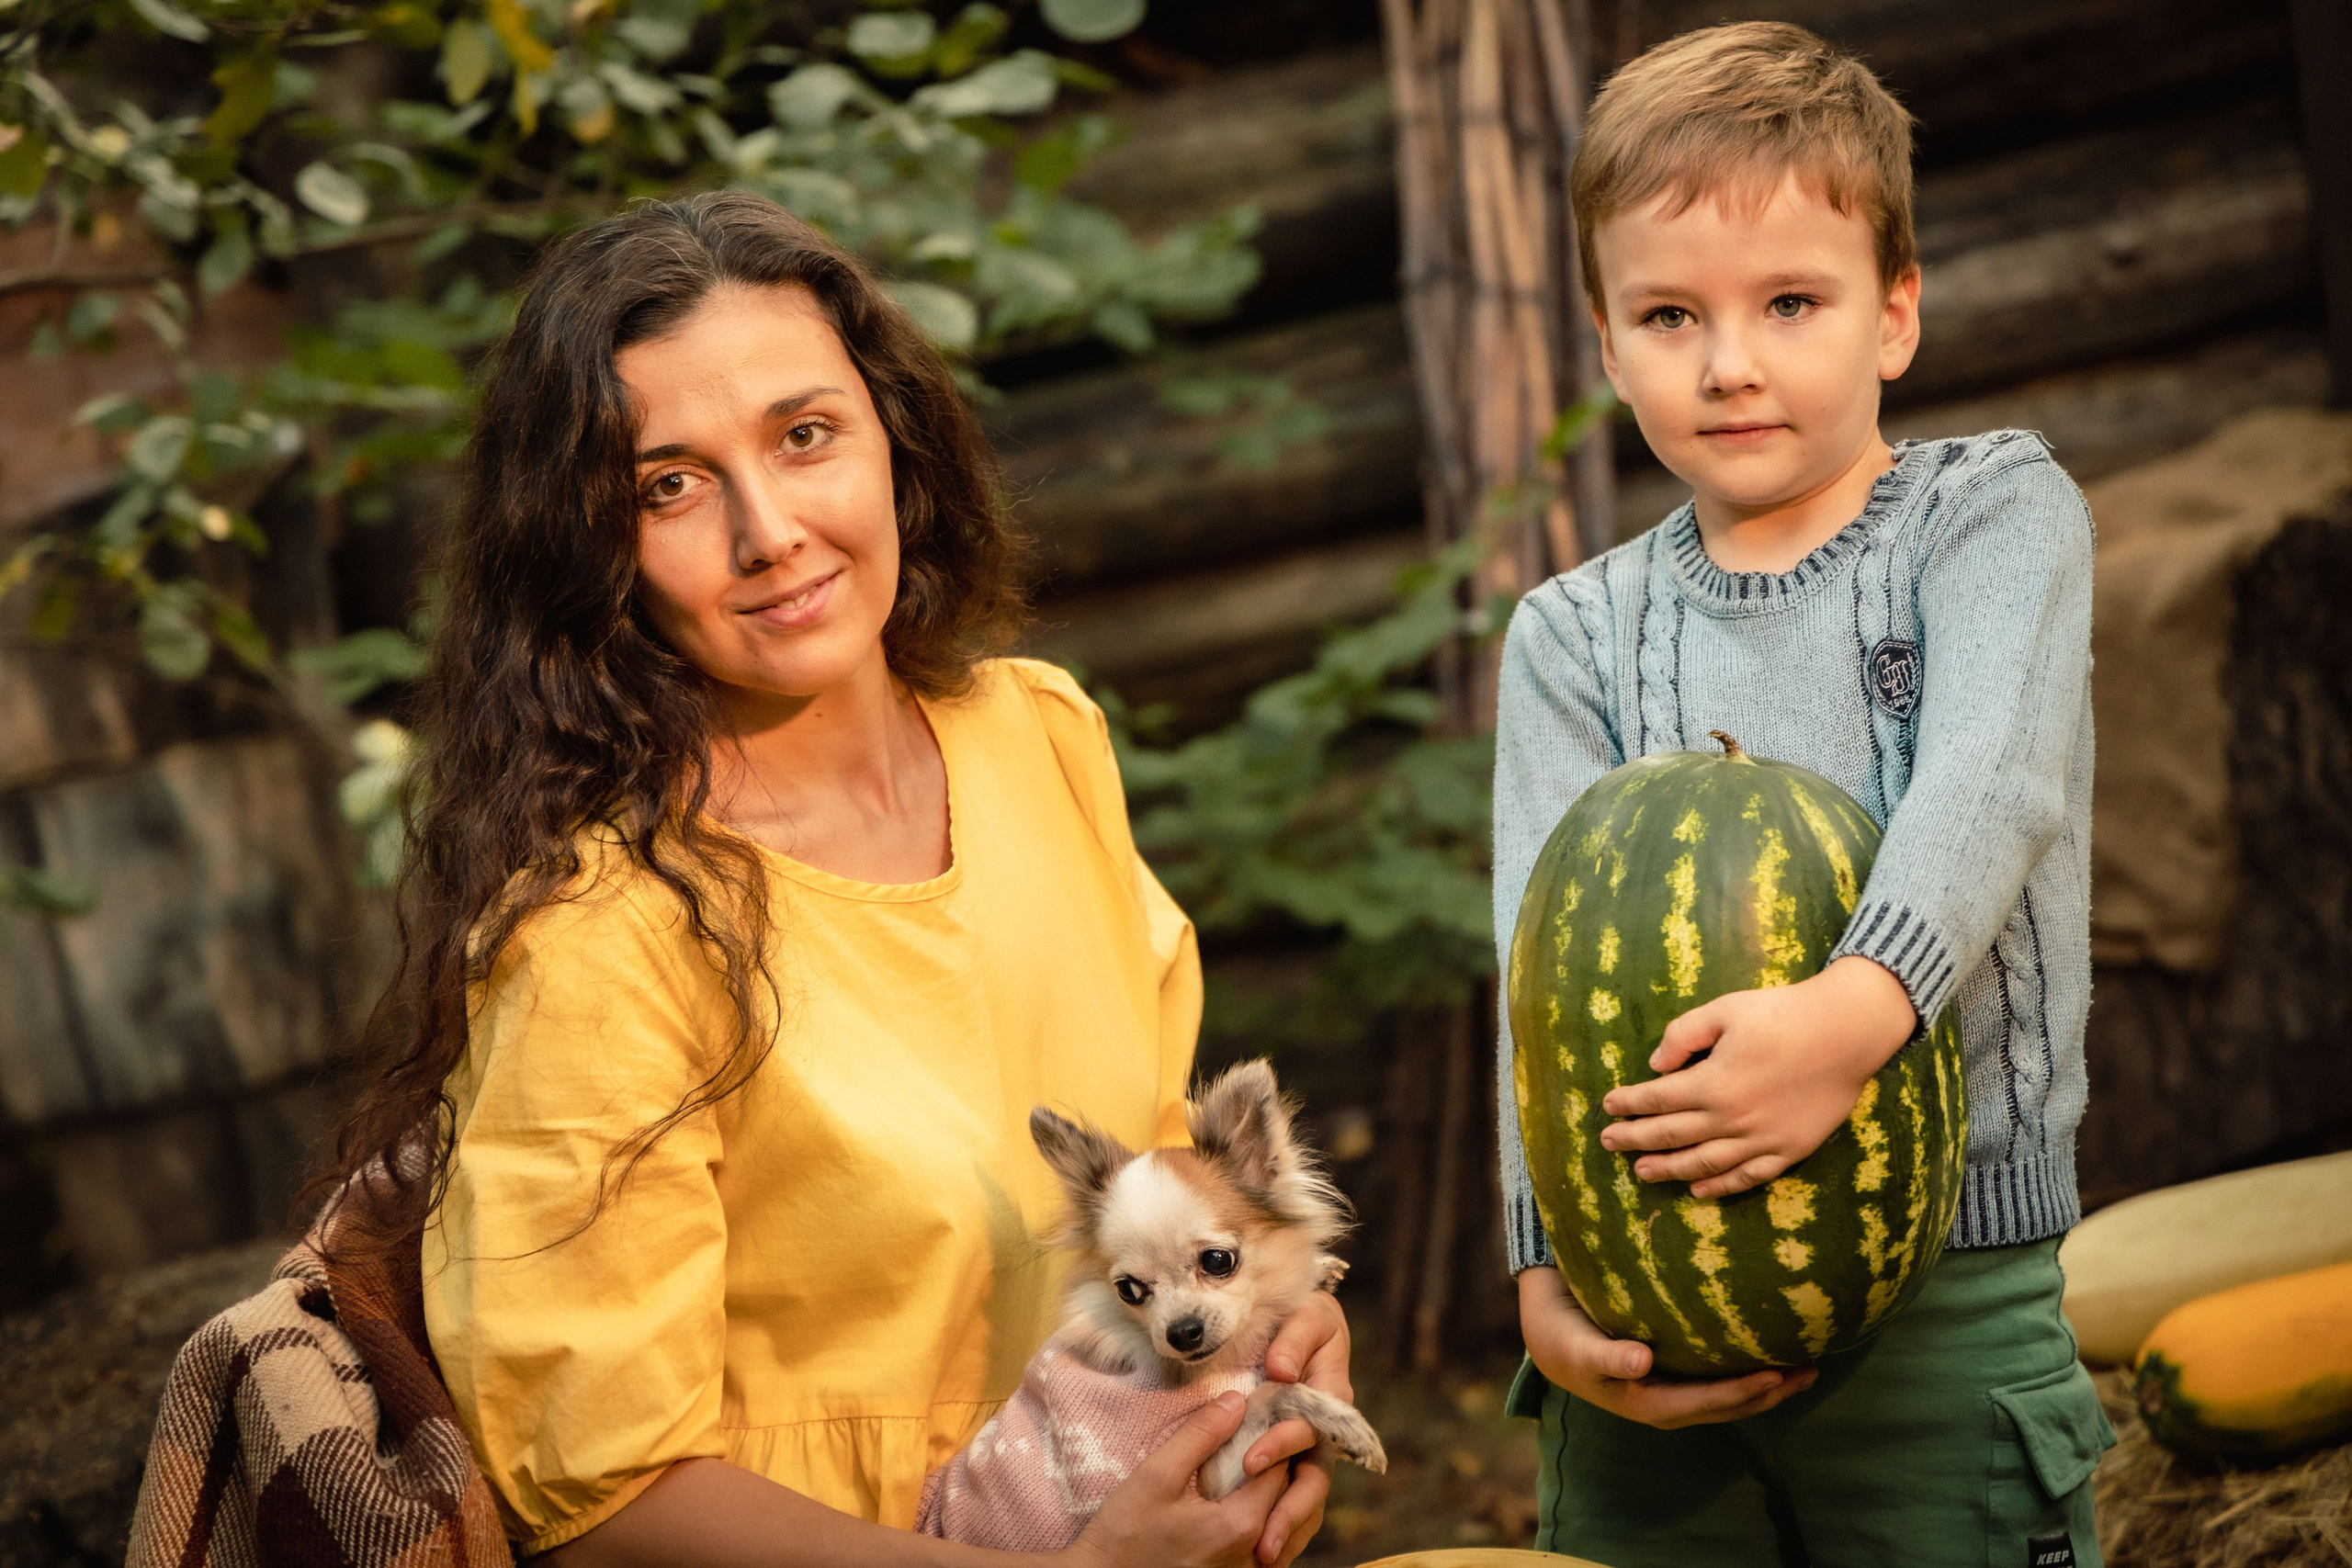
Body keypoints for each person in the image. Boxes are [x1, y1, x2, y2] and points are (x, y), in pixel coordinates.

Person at [307, 190, 1350, 1568]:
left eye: (806, 438)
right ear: (593, 549)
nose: (771, 533)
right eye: (667, 485)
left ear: (892, 438)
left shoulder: (1036, 737)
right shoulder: (598, 936)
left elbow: (1167, 1186)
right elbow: (605, 1502)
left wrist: (1282, 1326)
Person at [1491, 22, 2113, 1568]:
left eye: (1791, 302)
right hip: (1649, 1306)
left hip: (1951, 1283)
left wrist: (1847, 1020)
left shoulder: (1991, 517)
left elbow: (1995, 780)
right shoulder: (1572, 635)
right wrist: (1539, 1271)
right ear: (1606, 339)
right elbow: (1535, 979)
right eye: (1668, 314)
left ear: (1895, 313)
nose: (1731, 362)